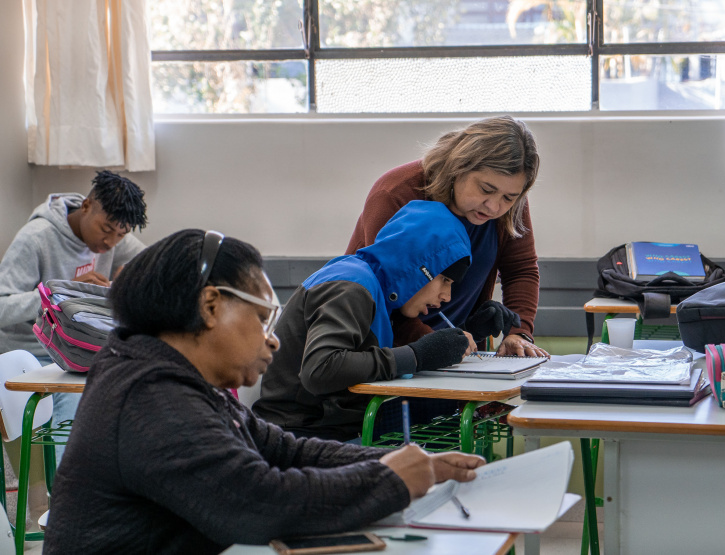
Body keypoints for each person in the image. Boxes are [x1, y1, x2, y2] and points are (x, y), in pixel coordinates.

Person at [43, 229, 485, 554]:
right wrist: (388, 479)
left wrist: (410, 463)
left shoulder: (176, 378)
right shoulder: (150, 397)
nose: (272, 340)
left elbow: (285, 450)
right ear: (211, 306)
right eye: (263, 319)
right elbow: (259, 503)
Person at [254, 200, 483, 441]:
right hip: (301, 435)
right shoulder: (351, 286)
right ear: (420, 267)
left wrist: (470, 332)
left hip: (334, 426)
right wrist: (416, 356)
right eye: (445, 280)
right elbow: (320, 369)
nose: (446, 296)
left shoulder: (375, 289)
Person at [346, 115, 548, 358]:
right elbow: (381, 291)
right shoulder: (395, 193)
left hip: (457, 349)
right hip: (392, 350)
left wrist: (519, 332)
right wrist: (431, 345)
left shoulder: (510, 204)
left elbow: (521, 269)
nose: (494, 207)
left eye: (509, 197)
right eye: (486, 189)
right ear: (458, 167)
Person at [0, 169, 147, 462]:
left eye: (121, 235)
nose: (111, 243)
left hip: (84, 349)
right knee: (77, 406)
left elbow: (153, 261)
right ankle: (70, 489)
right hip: (35, 352)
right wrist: (58, 296)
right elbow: (2, 307)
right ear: (86, 206)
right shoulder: (36, 238)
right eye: (106, 230)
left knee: (140, 384)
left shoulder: (113, 237)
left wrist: (128, 280)